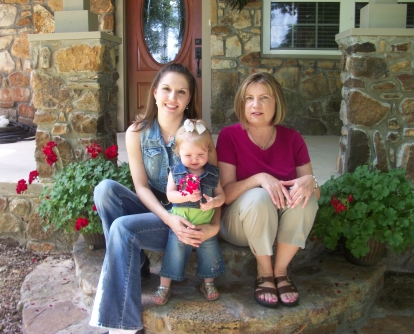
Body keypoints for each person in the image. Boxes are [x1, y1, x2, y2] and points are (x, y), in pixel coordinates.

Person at [89, 63, 220, 334]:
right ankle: (135, 264)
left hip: (186, 218)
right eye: (167, 89)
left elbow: (213, 184)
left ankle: (121, 323)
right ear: (155, 92)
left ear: (189, 99)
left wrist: (213, 226)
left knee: (122, 228)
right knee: (105, 190)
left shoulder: (199, 135)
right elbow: (141, 187)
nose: (173, 98)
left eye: (181, 92)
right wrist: (167, 218)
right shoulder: (136, 132)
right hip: (159, 212)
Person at [216, 72, 320, 308]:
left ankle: (280, 272)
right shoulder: (229, 136)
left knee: (308, 199)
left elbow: (314, 193)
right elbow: (226, 195)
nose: (255, 105)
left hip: (278, 221)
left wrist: (311, 182)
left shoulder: (292, 138)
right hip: (238, 223)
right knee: (259, 195)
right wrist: (259, 178)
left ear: (277, 103)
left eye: (264, 98)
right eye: (249, 98)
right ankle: (264, 272)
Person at [153, 119, 226, 305]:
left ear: (209, 152)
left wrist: (213, 202)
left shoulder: (212, 174)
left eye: (200, 154)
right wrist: (185, 195)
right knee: (174, 251)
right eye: (188, 155)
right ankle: (164, 286)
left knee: (209, 251)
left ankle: (208, 283)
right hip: (181, 225)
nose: (195, 159)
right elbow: (170, 195)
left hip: (205, 225)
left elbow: (222, 197)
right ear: (178, 153)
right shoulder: (176, 172)